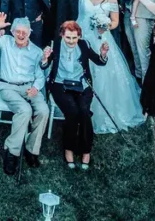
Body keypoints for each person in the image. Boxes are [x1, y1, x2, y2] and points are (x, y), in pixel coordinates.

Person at [54, 0, 145, 133]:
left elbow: (115, 22)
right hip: (79, 37)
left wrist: (105, 26)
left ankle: (99, 111)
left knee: (103, 72)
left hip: (100, 38)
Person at [0, 15, 49, 175]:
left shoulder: (36, 51)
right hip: (8, 87)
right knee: (25, 110)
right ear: (12, 32)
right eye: (18, 32)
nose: (21, 35)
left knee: (43, 110)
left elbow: (40, 75)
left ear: (29, 33)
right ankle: (12, 152)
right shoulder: (5, 41)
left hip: (28, 87)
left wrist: (36, 88)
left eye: (24, 32)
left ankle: (31, 149)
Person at [40, 21, 109, 169]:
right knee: (72, 111)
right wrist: (45, 58)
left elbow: (99, 61)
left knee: (84, 111)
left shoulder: (84, 45)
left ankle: (86, 150)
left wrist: (103, 54)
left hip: (82, 84)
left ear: (79, 36)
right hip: (60, 84)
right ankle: (69, 148)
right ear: (62, 35)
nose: (71, 41)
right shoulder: (55, 45)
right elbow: (44, 65)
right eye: (68, 38)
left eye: (74, 38)